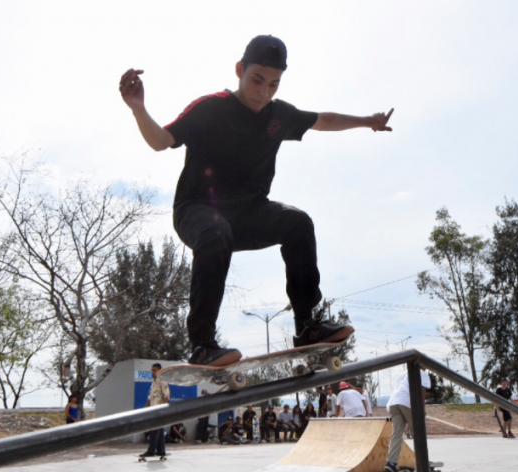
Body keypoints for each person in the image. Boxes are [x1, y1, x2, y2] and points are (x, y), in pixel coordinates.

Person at [119, 35, 394, 366]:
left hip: (249, 214)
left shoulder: (278, 115)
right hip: (198, 211)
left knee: (297, 222)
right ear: (240, 70)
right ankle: (202, 344)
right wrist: (139, 109)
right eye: (257, 80)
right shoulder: (210, 108)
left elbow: (323, 120)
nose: (264, 92)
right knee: (216, 232)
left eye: (274, 84)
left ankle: (307, 325)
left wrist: (367, 122)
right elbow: (161, 141)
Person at [383, 367, 431, 472]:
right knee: (419, 432)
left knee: (397, 434)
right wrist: (422, 409)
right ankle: (423, 461)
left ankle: (391, 462)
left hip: (393, 402)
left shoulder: (404, 372)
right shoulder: (422, 373)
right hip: (406, 402)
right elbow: (422, 391)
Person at [141, 363, 170, 457]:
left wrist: (163, 409)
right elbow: (150, 397)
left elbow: (167, 396)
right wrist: (146, 407)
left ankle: (151, 451)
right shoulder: (154, 382)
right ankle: (161, 450)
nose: (152, 372)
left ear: (159, 371)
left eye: (154, 370)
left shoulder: (163, 381)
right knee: (159, 430)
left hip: (159, 410)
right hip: (153, 409)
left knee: (154, 430)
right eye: (152, 370)